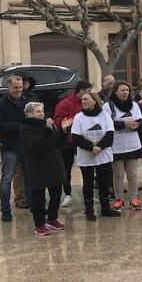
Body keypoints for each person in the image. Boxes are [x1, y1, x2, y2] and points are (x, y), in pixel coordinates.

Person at [20, 101, 67, 237]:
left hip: (54, 162)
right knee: (38, 196)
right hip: (37, 165)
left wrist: (63, 131)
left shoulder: (49, 124)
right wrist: (47, 130)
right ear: (29, 114)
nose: (42, 113)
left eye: (42, 110)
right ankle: (39, 225)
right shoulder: (26, 127)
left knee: (56, 193)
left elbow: (59, 143)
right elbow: (34, 145)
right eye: (38, 111)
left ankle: (52, 219)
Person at [71, 91, 119, 221]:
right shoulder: (78, 117)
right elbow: (76, 137)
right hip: (86, 155)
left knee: (103, 181)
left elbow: (109, 135)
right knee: (88, 182)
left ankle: (105, 208)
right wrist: (91, 147)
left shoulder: (105, 116)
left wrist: (99, 147)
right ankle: (89, 210)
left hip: (103, 154)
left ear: (94, 101)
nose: (83, 102)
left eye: (86, 99)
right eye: (82, 100)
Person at [0, 75, 29, 222]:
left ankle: (33, 206)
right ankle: (5, 211)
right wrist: (20, 125)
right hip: (9, 147)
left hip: (26, 145)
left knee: (29, 177)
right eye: (15, 87)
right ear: (8, 87)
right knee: (7, 178)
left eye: (20, 87)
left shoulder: (27, 102)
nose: (19, 90)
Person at [54, 79, 92, 207]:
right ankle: (68, 194)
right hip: (67, 143)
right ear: (80, 91)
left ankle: (89, 193)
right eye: (87, 91)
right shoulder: (64, 104)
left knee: (87, 169)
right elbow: (58, 120)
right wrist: (71, 121)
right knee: (66, 169)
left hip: (84, 142)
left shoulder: (91, 103)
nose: (90, 94)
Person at [108, 81, 142, 211]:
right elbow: (108, 123)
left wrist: (136, 125)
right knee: (118, 174)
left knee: (132, 174)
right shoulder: (108, 106)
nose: (125, 93)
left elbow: (140, 120)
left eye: (127, 90)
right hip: (116, 146)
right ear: (115, 91)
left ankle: (134, 199)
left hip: (132, 145)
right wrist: (124, 125)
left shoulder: (134, 105)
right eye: (122, 90)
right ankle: (119, 199)